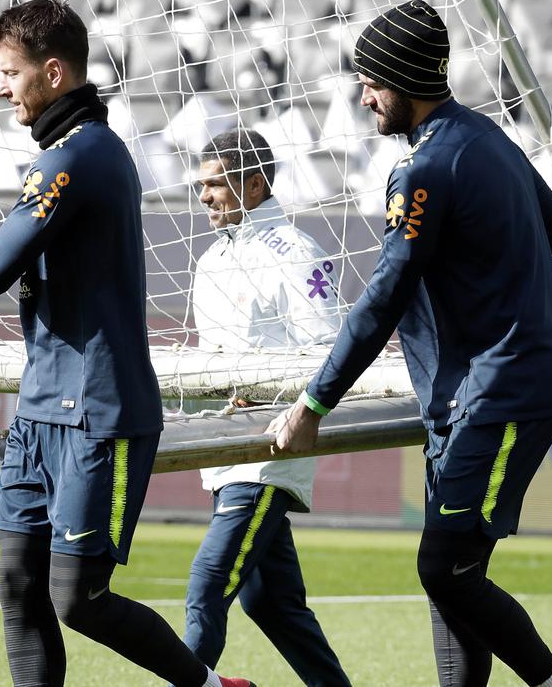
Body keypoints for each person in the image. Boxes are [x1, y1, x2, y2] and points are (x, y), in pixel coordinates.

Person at [0, 0, 253, 687]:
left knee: (78, 598)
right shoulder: (73, 154)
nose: (1, 88)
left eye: (11, 73)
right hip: (40, 411)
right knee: (17, 582)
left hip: (98, 413)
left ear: (53, 72)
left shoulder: (78, 158)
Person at [267, 0, 552, 687]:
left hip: (498, 395)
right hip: (472, 395)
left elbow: (385, 296)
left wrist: (314, 402)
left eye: (370, 83)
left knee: (443, 568)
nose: (363, 98)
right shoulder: (484, 136)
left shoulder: (426, 168)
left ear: (404, 79)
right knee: (451, 584)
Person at [182, 128, 351, 686]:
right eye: (200, 185)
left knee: (208, 584)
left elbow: (329, 349)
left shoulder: (297, 251)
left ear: (254, 185)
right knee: (271, 603)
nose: (203, 196)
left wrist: (269, 396)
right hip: (228, 451)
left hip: (270, 453)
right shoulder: (210, 259)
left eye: (214, 184)